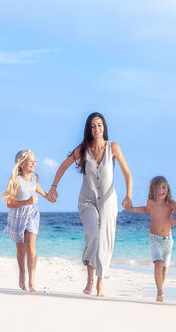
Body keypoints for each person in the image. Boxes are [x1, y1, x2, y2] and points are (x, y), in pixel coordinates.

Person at [46, 112, 133, 297]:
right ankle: (90, 278)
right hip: (87, 201)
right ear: (89, 129)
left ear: (104, 127)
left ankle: (100, 284)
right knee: (93, 235)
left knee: (106, 242)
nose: (97, 129)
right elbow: (63, 165)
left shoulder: (113, 147)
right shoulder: (83, 149)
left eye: (99, 125)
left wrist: (128, 196)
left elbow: (127, 173)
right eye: (93, 126)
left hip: (109, 202)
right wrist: (53, 187)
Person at [124, 176, 176, 302]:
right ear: (153, 190)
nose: (161, 190)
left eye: (164, 187)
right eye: (158, 188)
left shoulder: (171, 203)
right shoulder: (150, 202)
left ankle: (159, 288)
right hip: (154, 239)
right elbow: (145, 210)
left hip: (168, 240)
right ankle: (160, 291)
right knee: (158, 263)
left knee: (164, 269)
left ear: (167, 189)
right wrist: (132, 208)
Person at [2, 149, 49, 293]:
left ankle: (32, 282)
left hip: (33, 215)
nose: (34, 163)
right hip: (18, 216)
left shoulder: (35, 177)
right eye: (30, 161)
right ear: (21, 164)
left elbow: (35, 186)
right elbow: (9, 203)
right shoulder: (15, 180)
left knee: (31, 246)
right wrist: (27, 201)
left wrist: (47, 195)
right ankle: (22, 273)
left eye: (35, 160)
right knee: (21, 251)